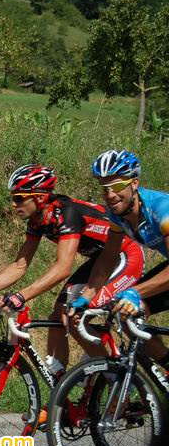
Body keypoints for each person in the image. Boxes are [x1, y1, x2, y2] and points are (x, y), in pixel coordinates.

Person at [0, 164, 144, 422]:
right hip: (100, 260)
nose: (13, 204)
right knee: (59, 314)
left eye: (19, 198)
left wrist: (21, 296)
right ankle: (62, 391)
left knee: (76, 315)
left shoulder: (66, 214)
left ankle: (119, 382)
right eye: (12, 198)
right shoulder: (37, 219)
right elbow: (20, 265)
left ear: (40, 197)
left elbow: (63, 267)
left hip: (125, 256)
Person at [70, 150, 169, 367]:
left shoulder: (162, 210)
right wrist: (86, 297)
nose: (110, 195)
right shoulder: (118, 216)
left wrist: (135, 291)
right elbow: (107, 259)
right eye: (105, 189)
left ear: (134, 183)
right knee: (126, 315)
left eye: (116, 186)